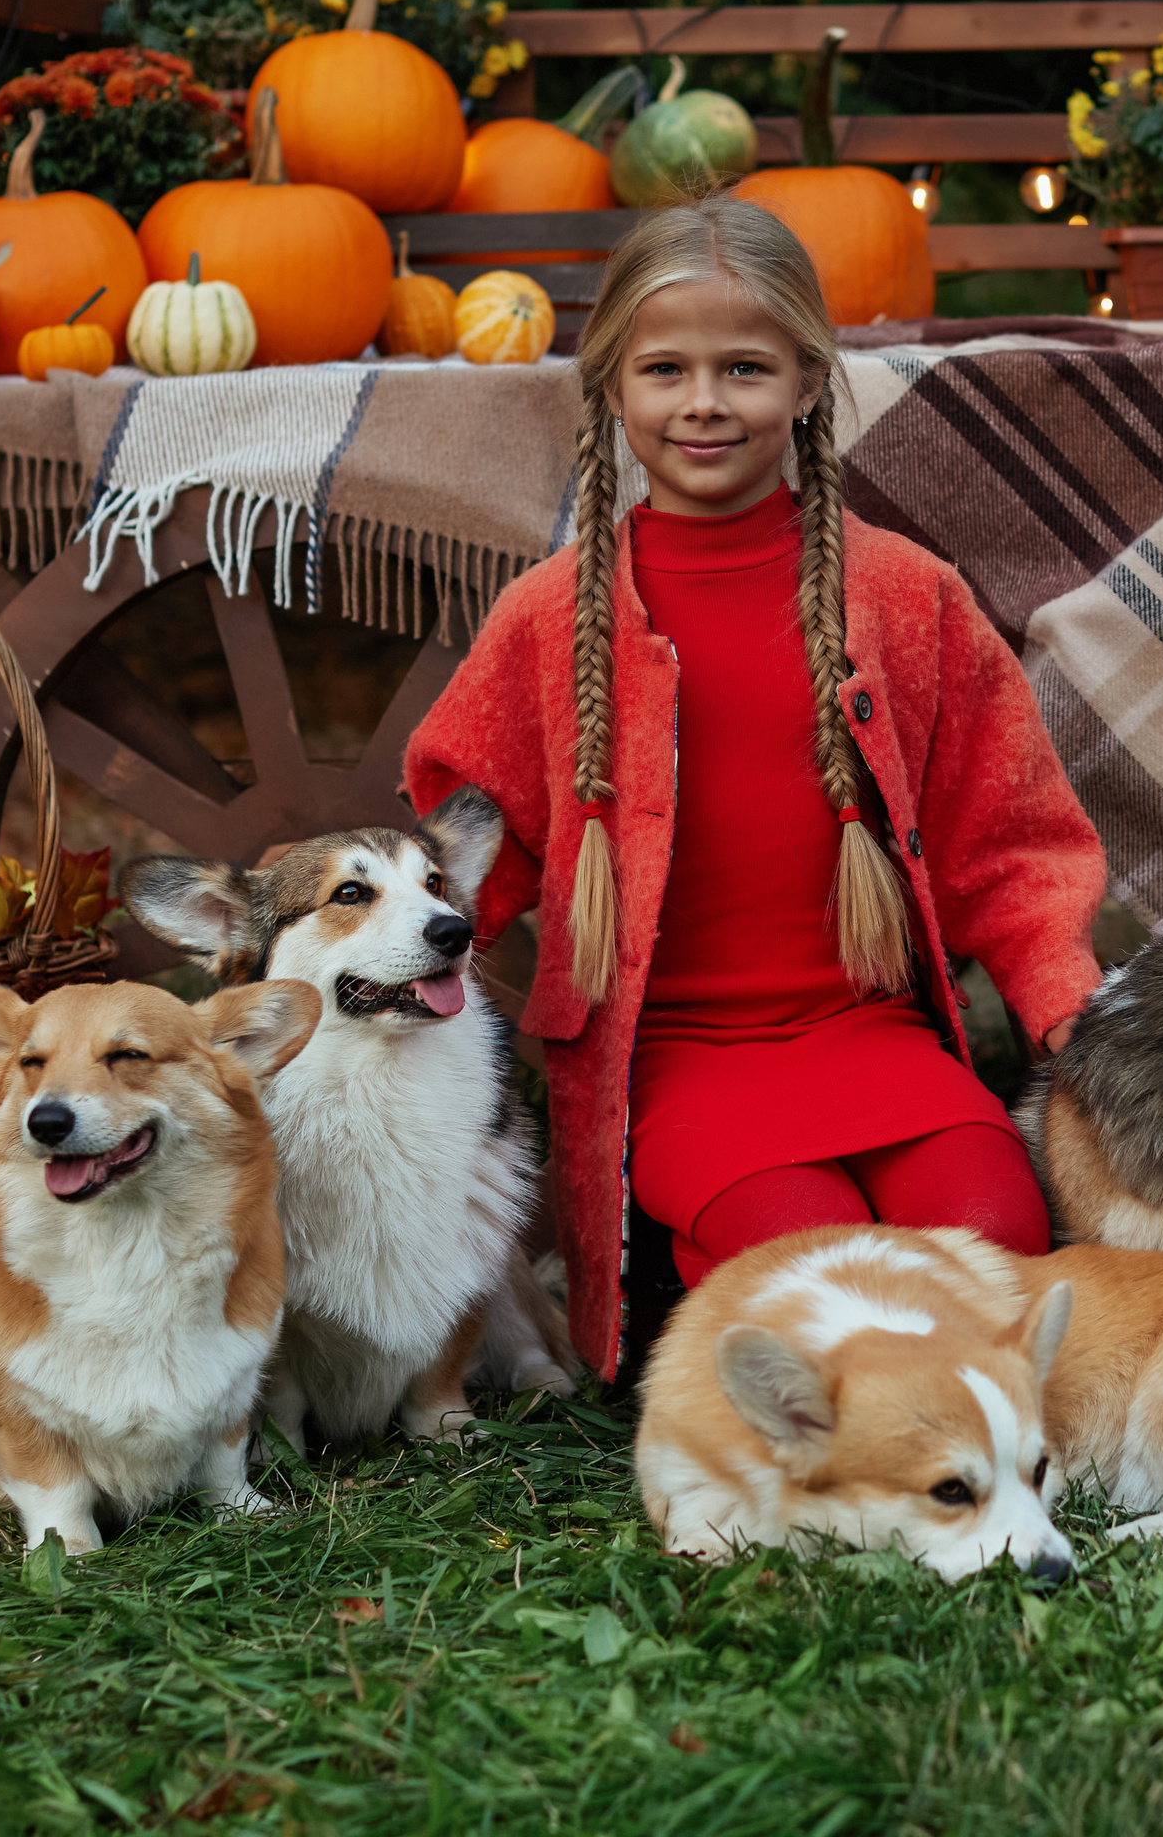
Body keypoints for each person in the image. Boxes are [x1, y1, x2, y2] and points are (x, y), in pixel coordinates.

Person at [404, 197, 1107, 1377]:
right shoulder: (548, 617)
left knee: (994, 1230)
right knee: (798, 1256)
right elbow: (467, 851)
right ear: (612, 388)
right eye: (664, 368)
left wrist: (1064, 1002)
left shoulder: (902, 595)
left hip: (867, 1029)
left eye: (744, 367)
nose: (703, 402)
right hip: (677, 1056)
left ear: (808, 382)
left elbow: (1013, 838)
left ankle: (952, 1425)